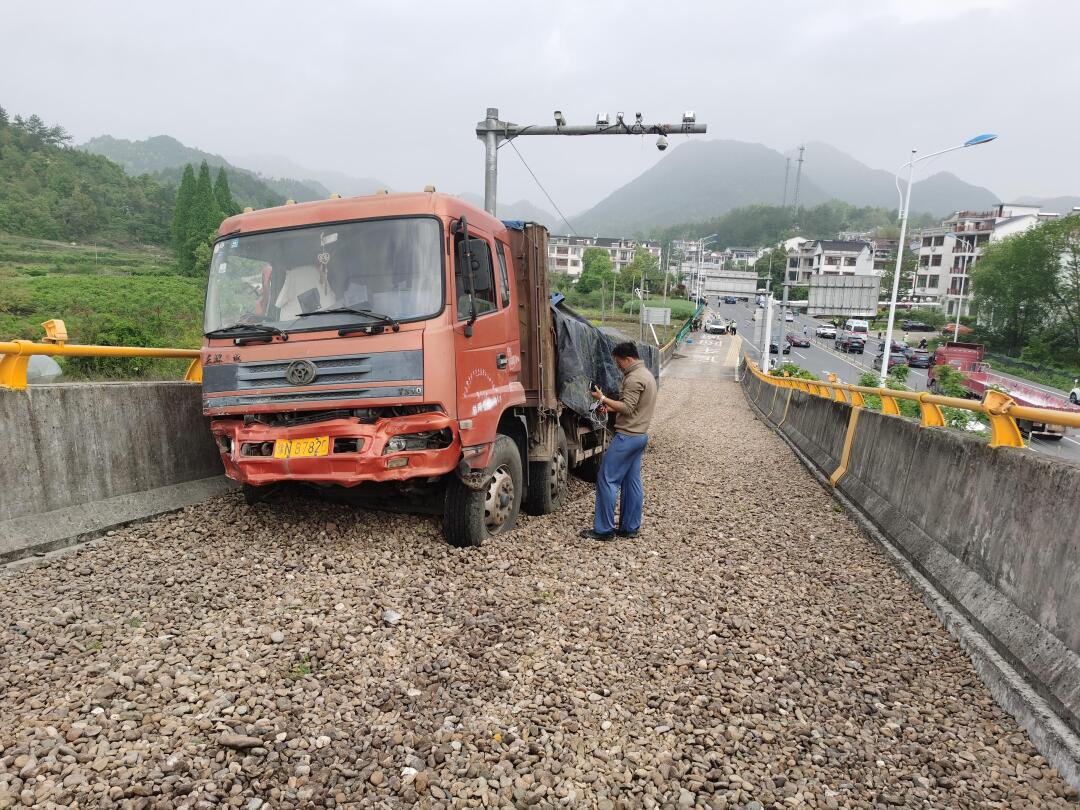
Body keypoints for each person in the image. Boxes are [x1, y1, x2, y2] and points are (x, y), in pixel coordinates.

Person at [581, 342, 658, 541]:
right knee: (632, 481)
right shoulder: (647, 375)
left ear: (628, 359)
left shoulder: (634, 379)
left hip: (627, 437)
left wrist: (603, 398)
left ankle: (604, 530)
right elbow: (634, 407)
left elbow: (627, 408)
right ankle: (629, 527)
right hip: (639, 436)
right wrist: (609, 408)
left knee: (607, 479)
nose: (618, 366)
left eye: (618, 362)